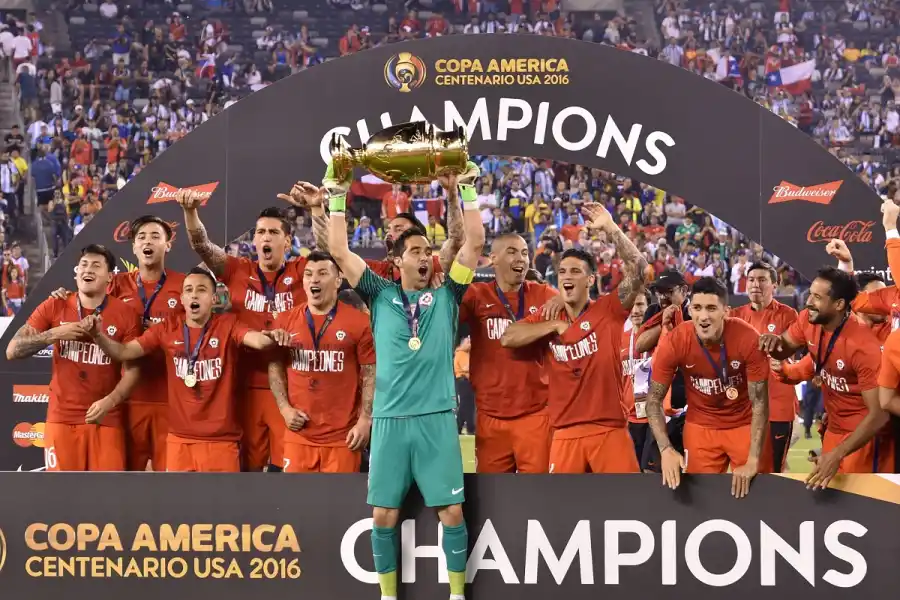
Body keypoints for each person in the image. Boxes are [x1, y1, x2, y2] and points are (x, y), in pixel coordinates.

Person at [324, 157, 484, 600]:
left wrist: (467, 189)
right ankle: (388, 596)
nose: (425, 258)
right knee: (383, 517)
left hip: (435, 419)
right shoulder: (378, 295)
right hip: (391, 422)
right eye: (414, 252)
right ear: (396, 261)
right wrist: (337, 193)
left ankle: (456, 596)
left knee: (451, 511)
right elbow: (339, 250)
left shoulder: (447, 295)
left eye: (426, 252)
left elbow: (473, 242)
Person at [83, 267, 291, 472]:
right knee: (179, 506)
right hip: (179, 442)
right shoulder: (167, 328)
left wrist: (272, 336)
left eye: (201, 290)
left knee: (220, 507)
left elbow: (257, 340)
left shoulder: (228, 325)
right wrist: (98, 336)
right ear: (182, 299)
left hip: (221, 443)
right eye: (189, 290)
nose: (194, 295)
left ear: (213, 299)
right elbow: (124, 352)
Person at [177, 184, 324, 472]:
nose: (265, 237)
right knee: (247, 470)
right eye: (260, 232)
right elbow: (201, 245)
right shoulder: (237, 270)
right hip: (242, 387)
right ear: (254, 240)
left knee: (290, 471)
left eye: (273, 232)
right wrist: (190, 211)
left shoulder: (301, 272)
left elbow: (332, 253)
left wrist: (317, 210)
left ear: (287, 240)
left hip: (290, 389)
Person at [501, 201, 648, 474]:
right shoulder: (548, 316)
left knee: (626, 507)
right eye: (562, 272)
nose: (567, 276)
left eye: (575, 271)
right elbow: (508, 337)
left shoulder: (609, 309)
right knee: (564, 515)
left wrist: (612, 229)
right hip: (565, 432)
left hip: (609, 429)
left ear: (591, 280)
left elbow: (640, 270)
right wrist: (553, 326)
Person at [50, 215, 186, 471]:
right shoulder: (115, 283)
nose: (148, 242)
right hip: (126, 401)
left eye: (155, 236)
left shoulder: (184, 285)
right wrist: (63, 296)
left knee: (170, 487)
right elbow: (84, 298)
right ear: (133, 246)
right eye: (141, 237)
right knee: (126, 486)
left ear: (168, 244)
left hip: (171, 398)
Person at [5, 244, 141, 471]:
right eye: (84, 265)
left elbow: (134, 369)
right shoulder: (55, 304)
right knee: (60, 498)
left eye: (96, 266)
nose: (88, 270)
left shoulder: (125, 314)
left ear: (109, 277)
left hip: (106, 419)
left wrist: (110, 401)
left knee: (105, 498)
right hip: (61, 419)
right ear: (76, 272)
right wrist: (56, 333)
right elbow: (12, 350)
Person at [760, 267, 888, 488]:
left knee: (863, 504)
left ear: (839, 305)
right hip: (833, 430)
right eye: (810, 293)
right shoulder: (808, 320)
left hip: (863, 437)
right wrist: (773, 344)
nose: (808, 301)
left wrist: (838, 454)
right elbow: (784, 348)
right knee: (829, 499)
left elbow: (879, 415)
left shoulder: (864, 347)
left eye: (817, 297)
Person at [646, 277, 771, 498]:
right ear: (690, 310)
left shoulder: (748, 338)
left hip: (744, 425)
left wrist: (752, 459)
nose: (703, 317)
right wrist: (665, 449)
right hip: (700, 428)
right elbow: (653, 400)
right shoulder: (676, 341)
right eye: (697, 308)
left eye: (711, 308)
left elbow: (760, 401)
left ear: (726, 311)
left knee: (760, 497)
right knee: (701, 502)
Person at [458, 232, 561, 473]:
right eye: (512, 252)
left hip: (535, 414)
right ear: (493, 258)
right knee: (494, 499)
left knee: (538, 494)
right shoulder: (476, 295)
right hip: (489, 416)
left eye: (525, 253)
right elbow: (444, 313)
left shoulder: (545, 295)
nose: (522, 259)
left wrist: (564, 301)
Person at [267, 251, 376, 473]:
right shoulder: (285, 320)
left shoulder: (360, 323)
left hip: (343, 438)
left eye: (322, 273)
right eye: (308, 274)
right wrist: (285, 408)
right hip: (299, 435)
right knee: (296, 505)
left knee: (339, 505)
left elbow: (371, 373)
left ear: (338, 280)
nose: (314, 279)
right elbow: (275, 367)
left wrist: (365, 420)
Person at [730, 261, 799, 473]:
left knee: (775, 470)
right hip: (744, 407)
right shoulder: (734, 316)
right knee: (742, 467)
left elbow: (793, 354)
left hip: (778, 404)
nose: (755, 285)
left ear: (774, 285)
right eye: (751, 280)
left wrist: (779, 345)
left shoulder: (788, 315)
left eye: (762, 280)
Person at [622, 290, 652, 467]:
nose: (635, 310)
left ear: (648, 307)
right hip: (629, 419)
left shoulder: (658, 340)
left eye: (640, 304)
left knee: (650, 475)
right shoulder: (620, 340)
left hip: (654, 418)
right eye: (631, 305)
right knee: (630, 472)